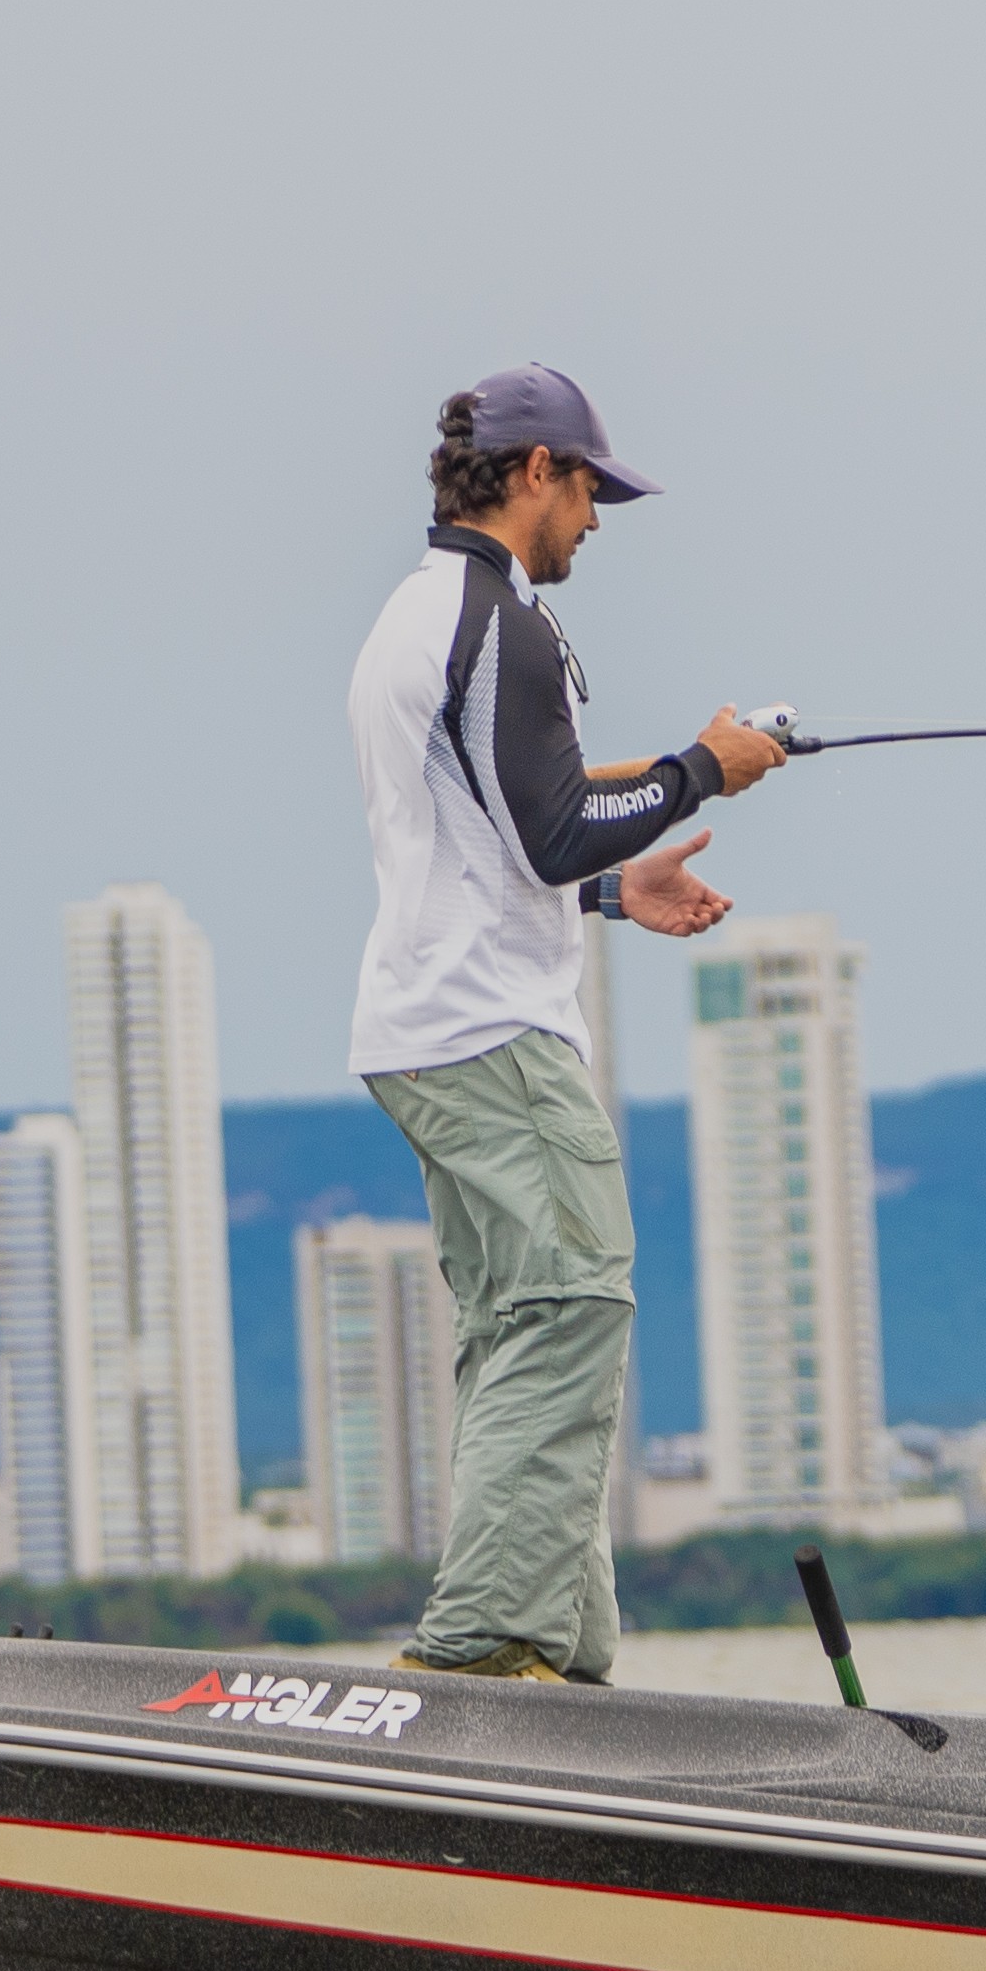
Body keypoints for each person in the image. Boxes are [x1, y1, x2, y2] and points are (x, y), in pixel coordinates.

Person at [344, 363, 791, 1682]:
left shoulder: (413, 617)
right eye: (591, 490)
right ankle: (485, 1646)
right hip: (492, 1032)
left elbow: (491, 825)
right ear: (536, 471)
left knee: (522, 1326)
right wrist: (706, 768)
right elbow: (545, 828)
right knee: (574, 1303)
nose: (596, 520)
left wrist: (613, 886)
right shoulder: (504, 626)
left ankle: (568, 1658)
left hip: (426, 1026)